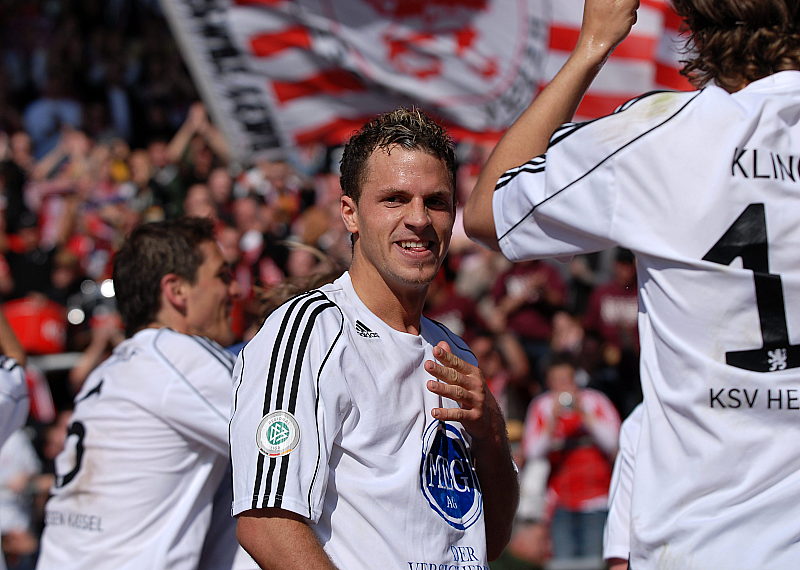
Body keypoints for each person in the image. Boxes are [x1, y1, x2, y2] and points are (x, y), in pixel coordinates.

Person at [464, 0, 800, 567]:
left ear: (696, 27)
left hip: (701, 542)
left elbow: (487, 211)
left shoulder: (660, 135)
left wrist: (592, 46)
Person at [230, 108, 519, 568]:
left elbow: (488, 538)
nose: (419, 219)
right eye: (394, 199)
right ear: (350, 214)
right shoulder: (311, 331)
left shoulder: (455, 350)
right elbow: (267, 522)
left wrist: (490, 433)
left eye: (436, 202)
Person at [35, 217, 246, 569]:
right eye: (223, 276)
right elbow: (289, 432)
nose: (235, 290)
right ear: (176, 290)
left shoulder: (110, 369)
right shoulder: (180, 356)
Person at [521, 354, 619, 562]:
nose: (562, 386)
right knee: (563, 562)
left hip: (597, 499)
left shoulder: (595, 400)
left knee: (593, 560)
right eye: (556, 381)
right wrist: (552, 420)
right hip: (560, 502)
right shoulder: (542, 406)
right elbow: (532, 451)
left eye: (566, 380)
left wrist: (583, 413)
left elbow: (613, 442)